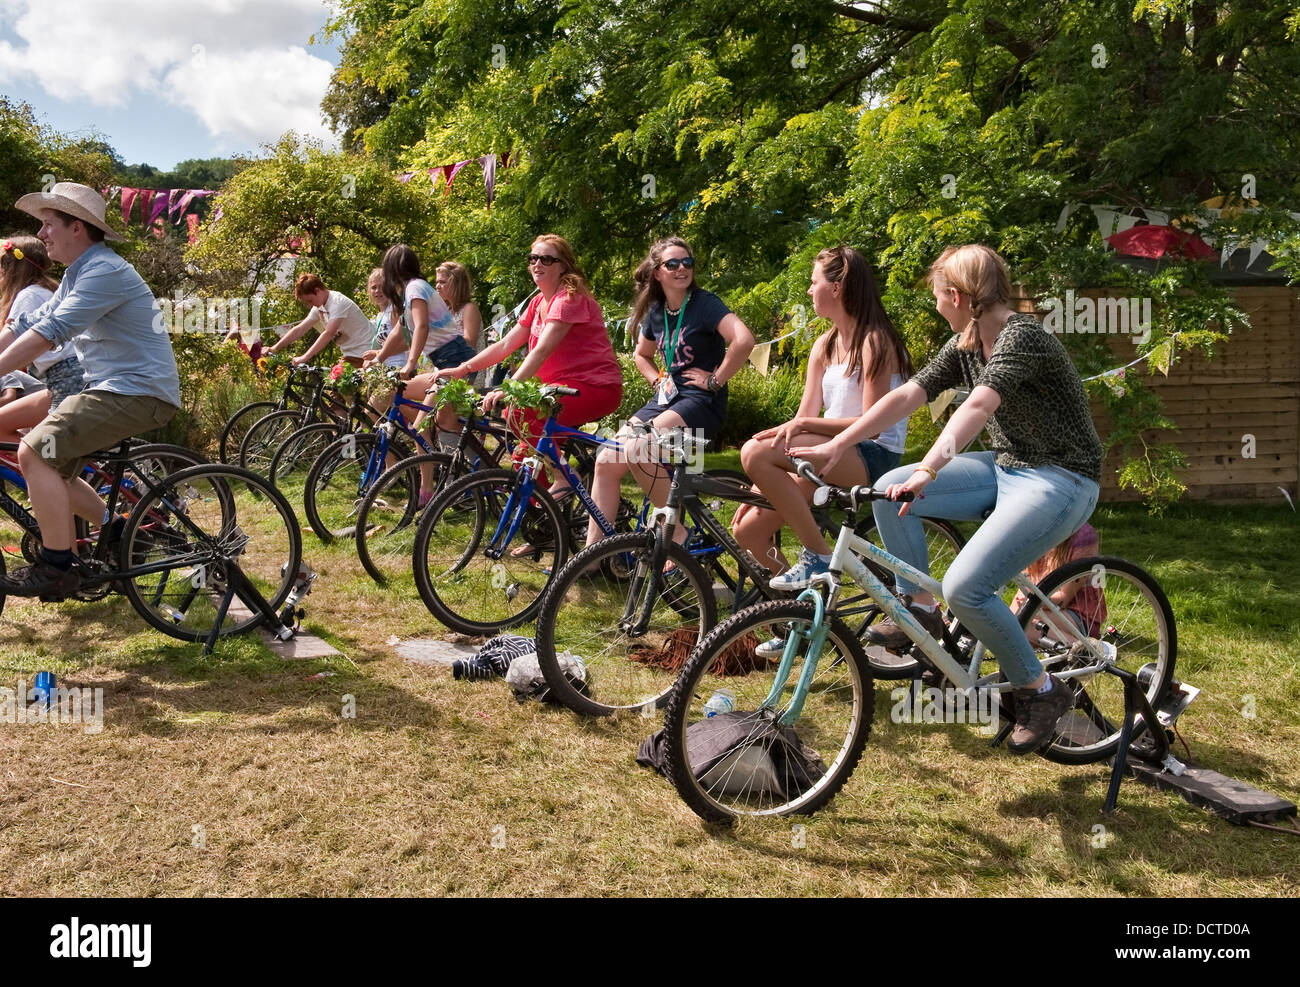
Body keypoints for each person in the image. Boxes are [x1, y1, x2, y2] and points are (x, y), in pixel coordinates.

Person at [788, 244, 1103, 754]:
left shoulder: (1022, 337)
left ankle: (1040, 689)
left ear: (957, 295)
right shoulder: (968, 342)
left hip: (1062, 479)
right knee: (891, 491)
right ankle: (920, 609)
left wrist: (930, 470)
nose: (935, 304)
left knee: (967, 587)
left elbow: (978, 405)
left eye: (937, 295)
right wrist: (838, 443)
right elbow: (910, 394)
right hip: (1008, 468)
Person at [0, 182, 180, 599]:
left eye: (48, 225)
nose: (42, 235)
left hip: (136, 392)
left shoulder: (105, 271)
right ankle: (118, 531)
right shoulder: (80, 271)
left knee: (33, 453)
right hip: (115, 389)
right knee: (49, 466)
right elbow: (26, 325)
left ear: (77, 227)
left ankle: (57, 567)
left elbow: (50, 332)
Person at [733, 246, 910, 580]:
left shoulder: (875, 341)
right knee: (749, 533)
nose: (809, 290)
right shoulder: (824, 345)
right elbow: (800, 424)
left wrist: (798, 427)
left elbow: (873, 424)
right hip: (830, 450)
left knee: (754, 450)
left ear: (836, 288)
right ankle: (803, 612)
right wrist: (764, 486)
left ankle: (818, 555)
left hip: (873, 454)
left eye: (814, 282)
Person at [587, 236, 754, 548]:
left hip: (701, 402)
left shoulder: (705, 304)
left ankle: (676, 535)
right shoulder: (657, 312)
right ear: (657, 273)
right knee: (607, 459)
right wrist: (655, 380)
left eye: (687, 262)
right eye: (673, 263)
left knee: (639, 449)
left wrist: (715, 380)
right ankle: (593, 555)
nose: (682, 269)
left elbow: (744, 340)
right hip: (668, 400)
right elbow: (641, 354)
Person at [435, 234, 623, 493]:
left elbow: (543, 349)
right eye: (533, 258)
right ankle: (546, 521)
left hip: (593, 387)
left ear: (563, 265)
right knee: (524, 458)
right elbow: (504, 345)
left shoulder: (570, 297)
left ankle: (565, 478)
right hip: (556, 389)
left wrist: (510, 387)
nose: (537, 264)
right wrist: (464, 368)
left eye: (546, 259)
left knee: (520, 412)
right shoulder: (537, 302)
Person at [0, 234, 86, 416]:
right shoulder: (44, 291)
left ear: (9, 269)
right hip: (65, 375)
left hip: (67, 376)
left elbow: (8, 340)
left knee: (16, 431)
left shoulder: (29, 295)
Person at [1014, 522, 1105, 645]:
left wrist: (1030, 601)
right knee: (1006, 624)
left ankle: (1086, 652)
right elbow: (1026, 585)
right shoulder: (1034, 530)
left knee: (1019, 625)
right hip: (1045, 608)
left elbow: (1063, 599)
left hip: (1079, 616)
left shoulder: (1083, 537)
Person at [265, 273, 374, 368]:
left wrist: (305, 357)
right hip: (350, 354)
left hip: (366, 352)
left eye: (310, 300)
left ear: (317, 290)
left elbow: (329, 333)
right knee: (334, 387)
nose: (309, 305)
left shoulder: (337, 302)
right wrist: (274, 348)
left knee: (339, 387)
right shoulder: (320, 307)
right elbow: (300, 329)